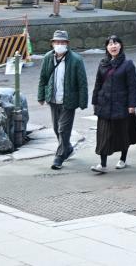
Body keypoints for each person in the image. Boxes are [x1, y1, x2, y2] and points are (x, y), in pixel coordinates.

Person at [91, 34, 136, 173]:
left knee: (122, 134)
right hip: (104, 104)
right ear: (106, 47)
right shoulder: (103, 63)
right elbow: (98, 84)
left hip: (121, 105)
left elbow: (132, 86)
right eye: (110, 44)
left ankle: (123, 159)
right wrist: (95, 102)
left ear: (120, 46)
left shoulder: (128, 64)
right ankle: (103, 164)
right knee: (103, 135)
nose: (113, 46)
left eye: (115, 43)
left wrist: (132, 105)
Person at [37, 28, 89, 170]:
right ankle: (68, 148)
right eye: (57, 42)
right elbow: (43, 78)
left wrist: (83, 101)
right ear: (52, 43)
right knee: (56, 128)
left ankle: (59, 157)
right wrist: (41, 96)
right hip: (53, 99)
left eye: (62, 42)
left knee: (63, 129)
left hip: (69, 101)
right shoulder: (48, 57)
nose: (59, 44)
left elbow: (82, 82)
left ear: (67, 43)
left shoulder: (76, 60)